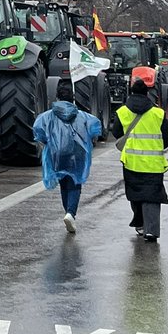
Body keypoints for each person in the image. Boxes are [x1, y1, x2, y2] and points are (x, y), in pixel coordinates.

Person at [32, 80, 102, 234]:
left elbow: (38, 131)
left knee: (64, 183)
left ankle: (68, 213)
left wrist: (50, 144)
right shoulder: (83, 116)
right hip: (77, 153)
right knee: (75, 183)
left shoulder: (48, 116)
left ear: (57, 97)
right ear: (73, 98)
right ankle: (71, 213)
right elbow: (96, 128)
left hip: (57, 154)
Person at [110, 68, 168, 243]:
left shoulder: (122, 112)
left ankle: (139, 224)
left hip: (131, 162)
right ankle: (151, 230)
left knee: (135, 193)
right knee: (153, 195)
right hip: (154, 163)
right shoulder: (158, 113)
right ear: (147, 94)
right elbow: (167, 137)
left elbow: (116, 133)